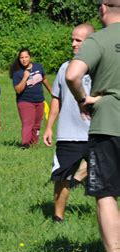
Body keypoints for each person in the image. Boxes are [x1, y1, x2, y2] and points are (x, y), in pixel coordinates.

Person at [65, 0, 120, 252]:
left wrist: (82, 100)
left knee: (107, 194)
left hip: (109, 123)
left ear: (102, 8)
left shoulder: (98, 40)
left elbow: (72, 74)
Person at [42, 24, 95, 222]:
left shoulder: (102, 69)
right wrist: (49, 127)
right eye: (72, 40)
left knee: (103, 179)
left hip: (97, 133)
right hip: (68, 134)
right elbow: (56, 98)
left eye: (78, 40)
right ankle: (58, 217)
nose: (73, 44)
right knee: (61, 177)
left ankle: (105, 220)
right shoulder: (65, 68)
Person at [10, 48, 52, 148]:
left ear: (30, 57)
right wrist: (25, 77)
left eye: (26, 57)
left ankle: (34, 143)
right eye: (21, 58)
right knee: (27, 123)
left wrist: (51, 91)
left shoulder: (38, 66)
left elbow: (44, 79)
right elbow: (18, 90)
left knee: (37, 125)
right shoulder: (17, 72)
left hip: (39, 100)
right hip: (25, 101)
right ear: (19, 59)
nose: (24, 59)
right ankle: (25, 144)